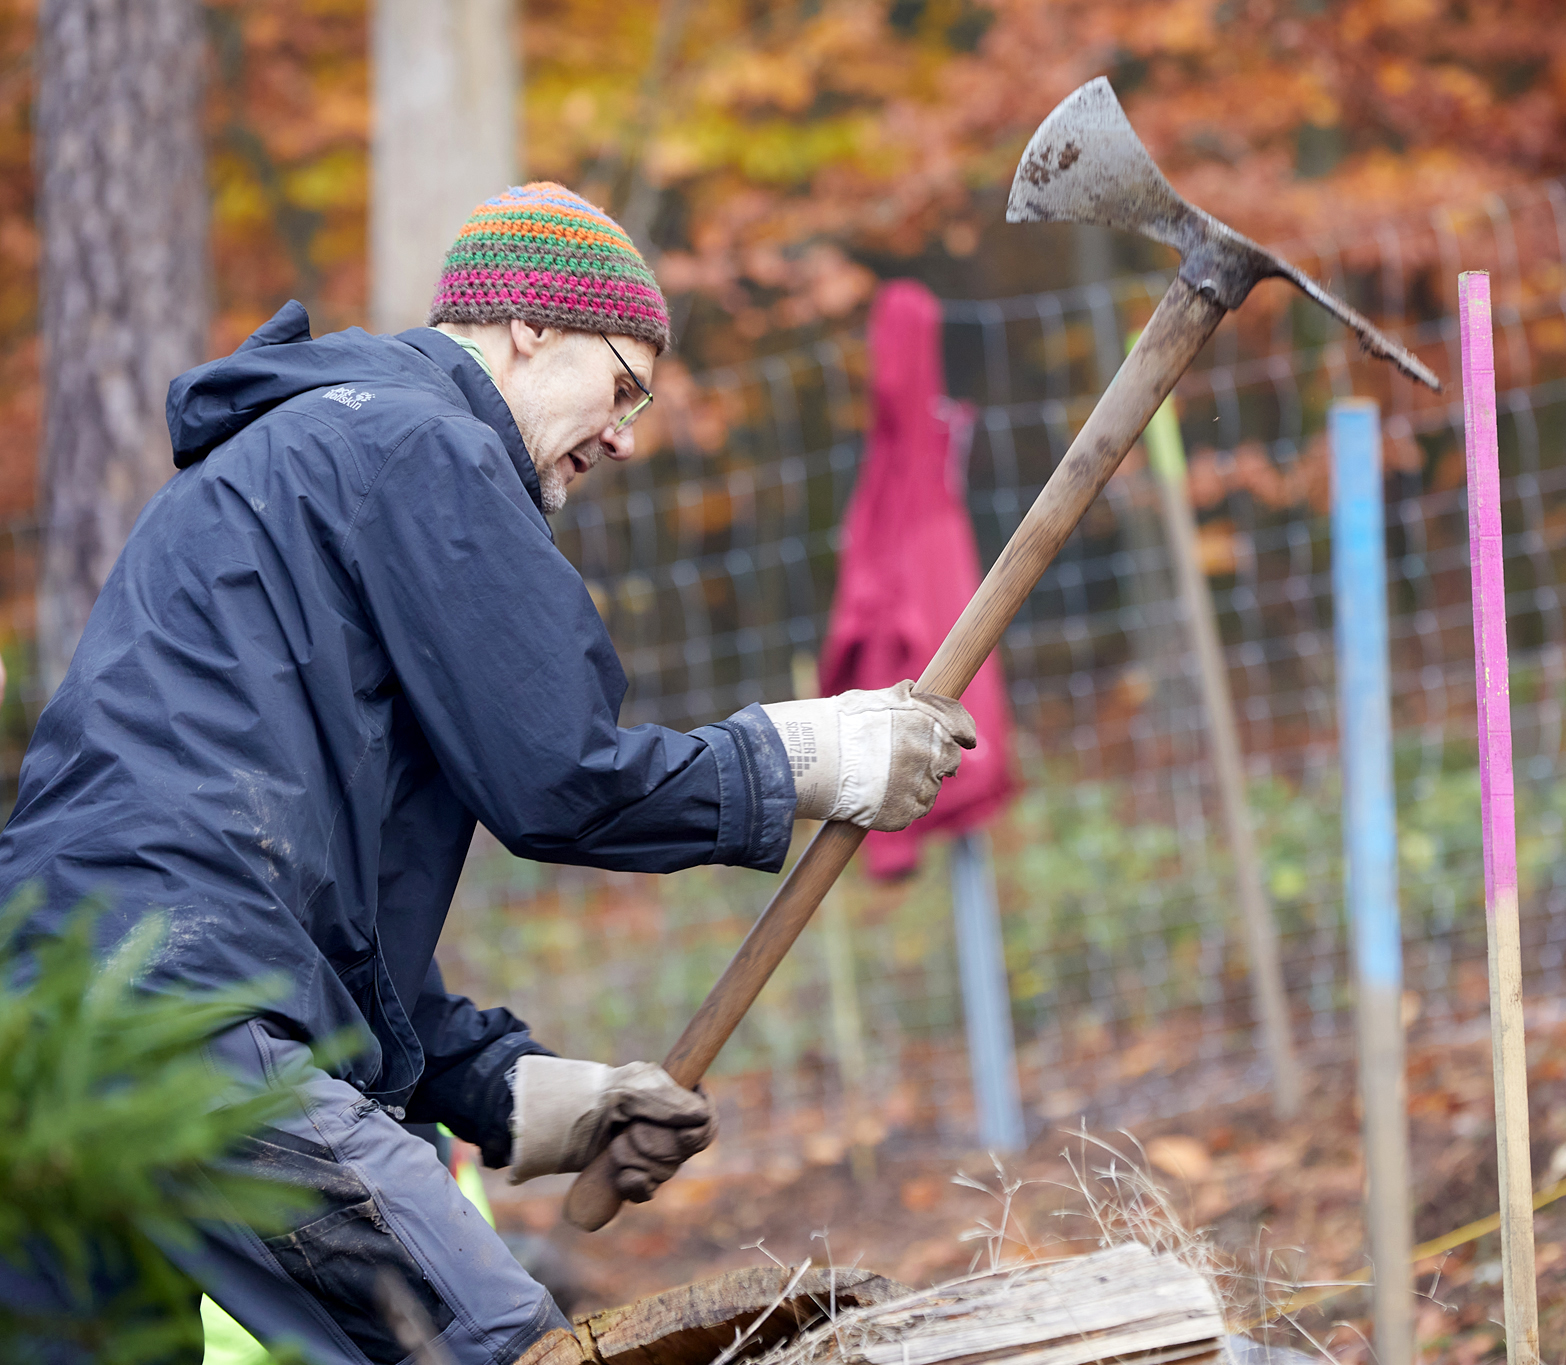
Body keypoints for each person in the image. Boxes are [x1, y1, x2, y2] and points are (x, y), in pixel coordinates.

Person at [0, 183, 974, 1365]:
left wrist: (530, 1097)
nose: (626, 434)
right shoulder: (423, 445)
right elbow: (561, 777)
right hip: (180, 1019)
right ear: (529, 327)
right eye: (622, 386)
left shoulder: (299, 464)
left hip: (43, 1045)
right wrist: (814, 754)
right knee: (494, 1340)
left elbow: (316, 935)